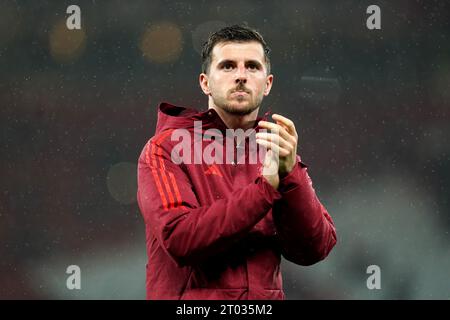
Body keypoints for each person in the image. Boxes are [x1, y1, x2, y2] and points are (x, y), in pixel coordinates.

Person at [137, 25, 337, 300]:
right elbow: (180, 237)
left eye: (252, 67)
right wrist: (264, 190)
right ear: (205, 82)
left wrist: (291, 174)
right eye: (228, 66)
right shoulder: (165, 149)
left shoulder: (275, 150)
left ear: (267, 84)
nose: (241, 76)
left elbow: (315, 248)